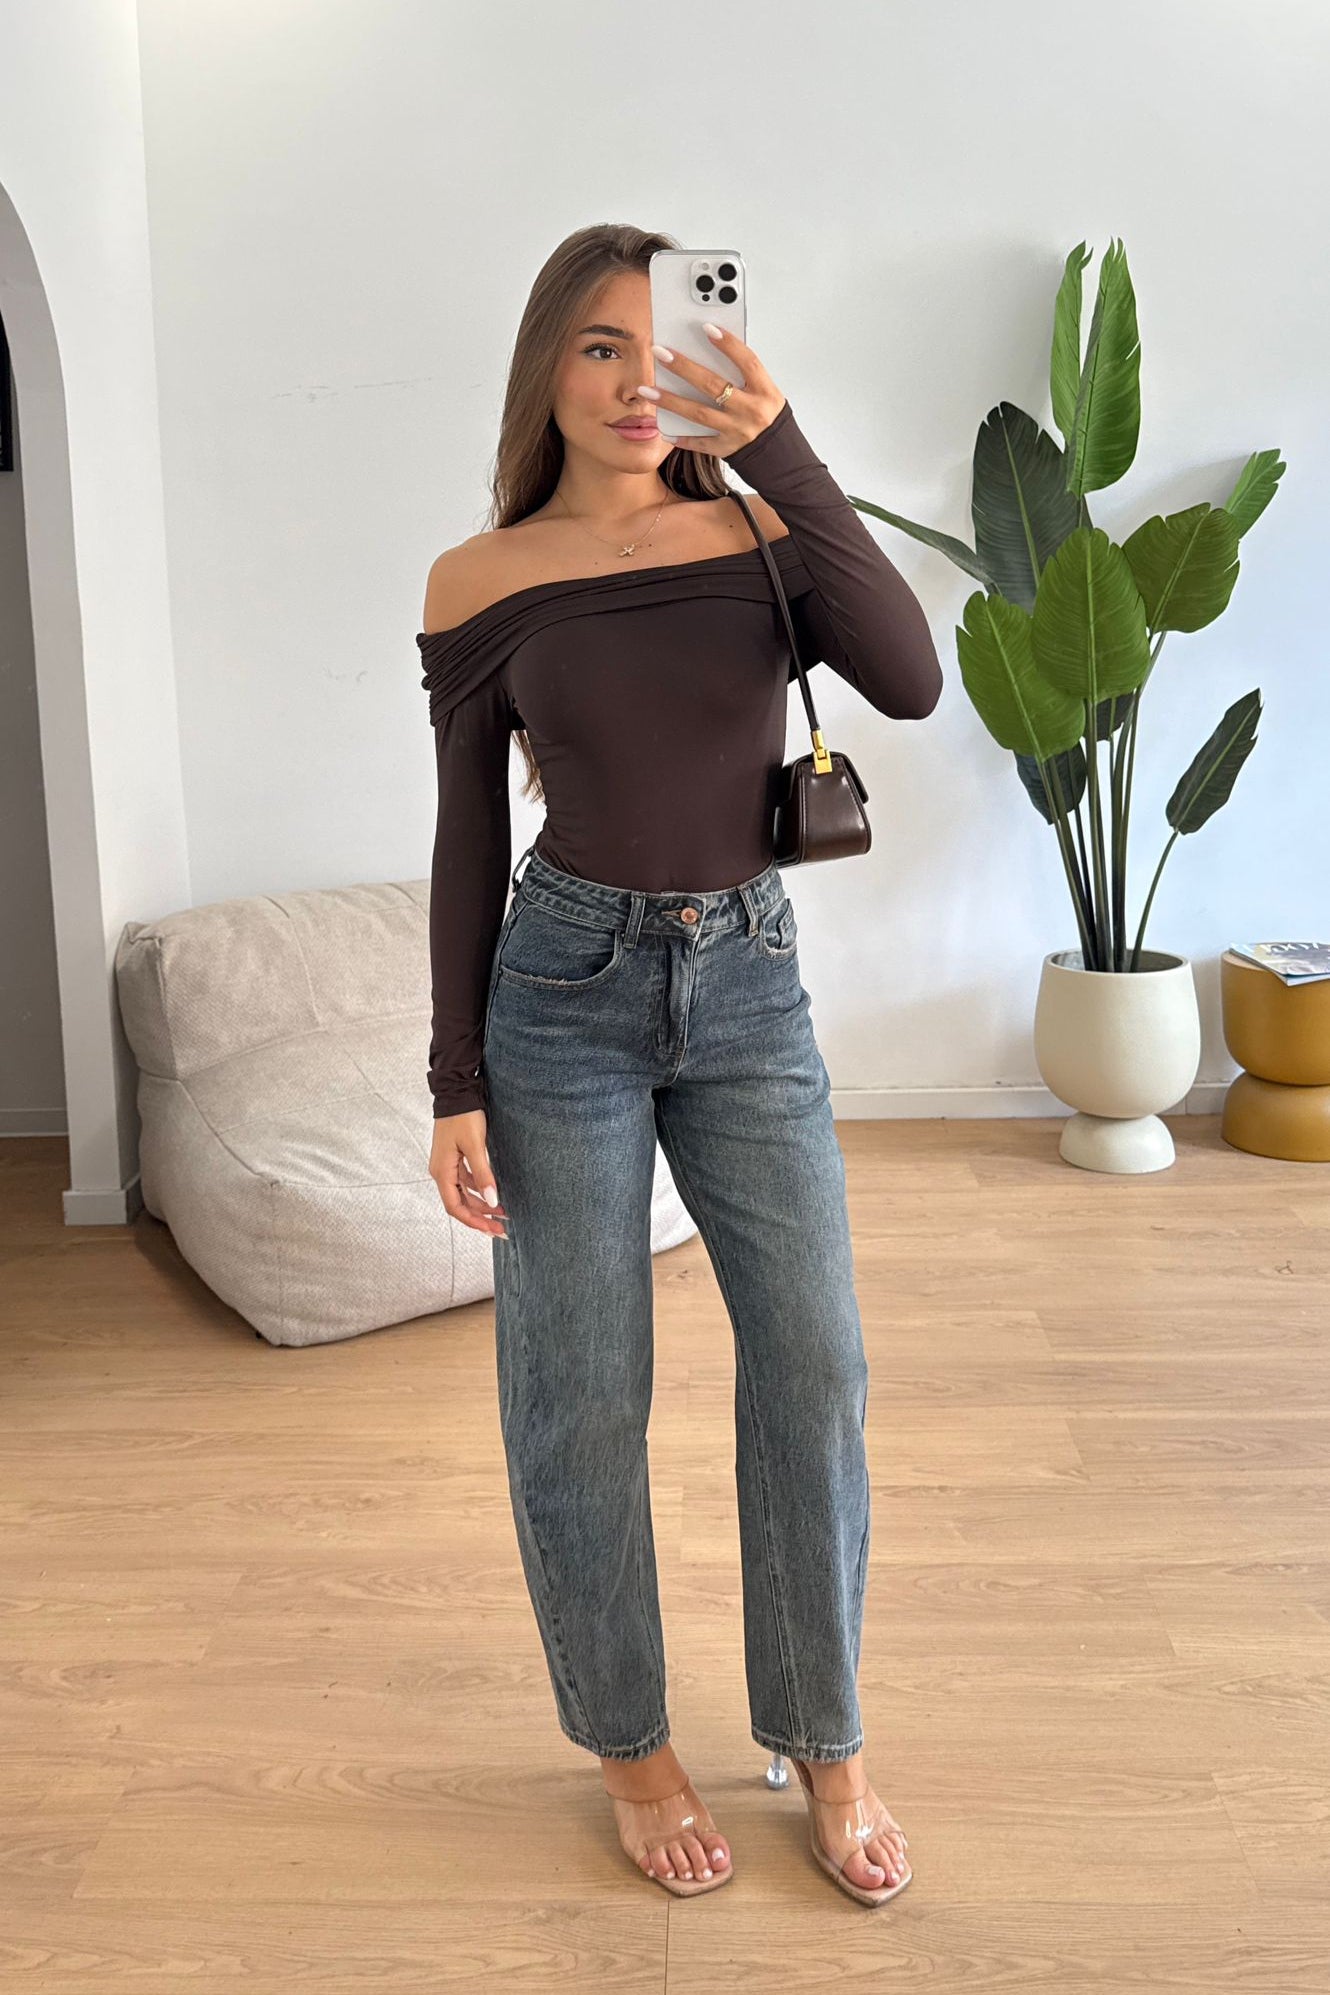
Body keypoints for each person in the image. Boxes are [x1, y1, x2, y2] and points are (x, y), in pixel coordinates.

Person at [417, 224, 941, 1904]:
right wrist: (452, 1080)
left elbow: (911, 681)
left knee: (815, 1365)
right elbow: (462, 837)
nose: (637, 382)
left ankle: (823, 1737)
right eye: (599, 346)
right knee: (578, 1392)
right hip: (558, 993)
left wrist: (778, 444)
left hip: (749, 992)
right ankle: (630, 1750)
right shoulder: (478, 581)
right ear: (546, 370)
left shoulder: (763, 533)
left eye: (667, 347)